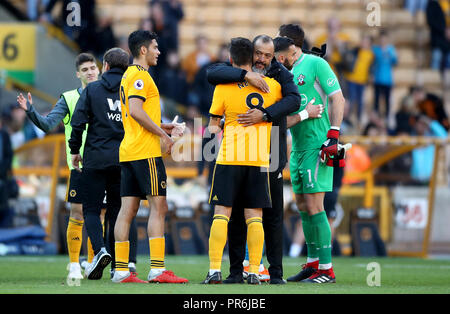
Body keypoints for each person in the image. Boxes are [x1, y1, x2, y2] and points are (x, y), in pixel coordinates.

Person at [206, 34, 321, 285]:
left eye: (268, 56)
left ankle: (271, 272)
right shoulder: (266, 84)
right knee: (250, 215)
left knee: (267, 215)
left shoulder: (277, 74)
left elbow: (213, 123)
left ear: (275, 57)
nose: (262, 60)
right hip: (258, 156)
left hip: (266, 154)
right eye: (259, 54)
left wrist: (265, 115)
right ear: (251, 53)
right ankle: (246, 271)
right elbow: (212, 72)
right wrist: (245, 75)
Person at [202, 37, 283, 285]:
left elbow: (212, 128)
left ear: (231, 61)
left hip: (229, 158)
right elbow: (286, 109)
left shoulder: (223, 88)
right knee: (254, 216)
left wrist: (213, 143)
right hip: (258, 160)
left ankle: (215, 270)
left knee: (222, 214)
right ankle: (254, 272)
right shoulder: (271, 86)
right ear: (254, 58)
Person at [111, 30, 187, 284]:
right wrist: (163, 137)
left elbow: (140, 117)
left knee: (127, 209)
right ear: (143, 50)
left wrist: (164, 128)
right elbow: (135, 111)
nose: (159, 51)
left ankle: (121, 270)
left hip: (130, 150)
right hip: (145, 152)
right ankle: (157, 269)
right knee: (159, 206)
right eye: (155, 47)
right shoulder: (140, 76)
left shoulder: (129, 76)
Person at [17, 53, 99, 280]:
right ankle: (74, 264)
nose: (90, 72)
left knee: (99, 215)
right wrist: (31, 111)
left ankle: (93, 262)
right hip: (81, 167)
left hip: (105, 165)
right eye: (85, 70)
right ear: (78, 74)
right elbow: (48, 124)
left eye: (93, 68)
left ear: (99, 70)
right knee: (78, 212)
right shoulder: (69, 98)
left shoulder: (109, 96)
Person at [68, 48, 142, 282]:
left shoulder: (92, 90)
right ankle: (116, 265)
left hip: (95, 158)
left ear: (105, 66)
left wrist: (74, 150)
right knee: (116, 212)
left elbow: (78, 122)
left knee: (91, 209)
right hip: (124, 159)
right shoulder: (132, 90)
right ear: (127, 67)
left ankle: (99, 251)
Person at [282, 23, 346, 284]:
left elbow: (338, 98)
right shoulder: (287, 70)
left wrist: (333, 134)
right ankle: (312, 264)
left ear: (291, 44)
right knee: (302, 207)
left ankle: (327, 270)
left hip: (318, 144)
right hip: (297, 146)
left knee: (315, 205)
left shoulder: (315, 64)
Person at [372, 30, 398, 119]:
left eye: (384, 39)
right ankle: (376, 116)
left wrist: (391, 55)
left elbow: (395, 62)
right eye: (381, 39)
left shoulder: (391, 50)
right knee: (376, 100)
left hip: (387, 80)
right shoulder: (376, 49)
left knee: (387, 100)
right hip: (377, 78)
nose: (382, 41)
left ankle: (387, 117)